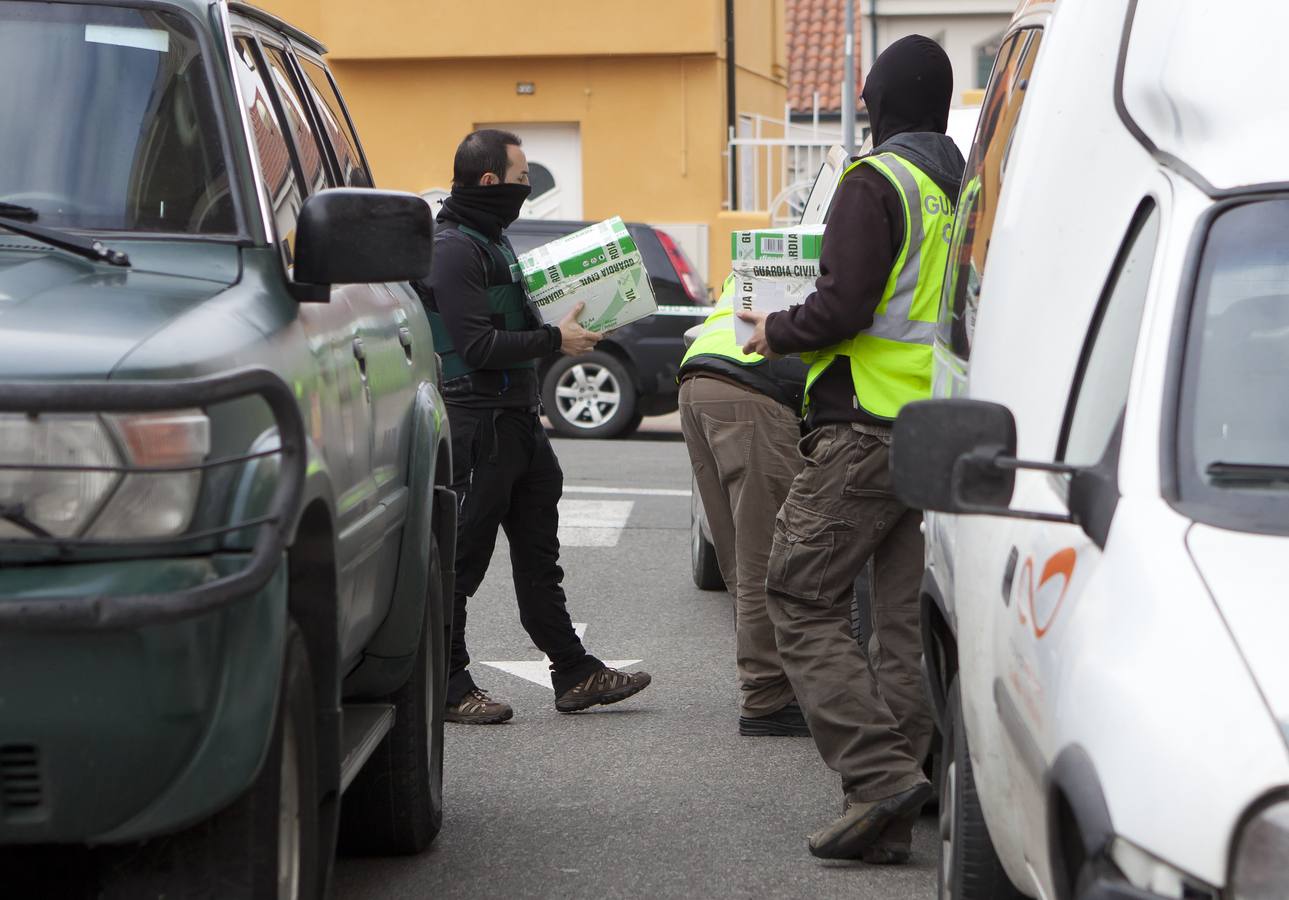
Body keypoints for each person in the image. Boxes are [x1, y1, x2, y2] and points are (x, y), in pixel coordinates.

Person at [739, 36, 965, 862]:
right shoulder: (960, 186)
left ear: (878, 98)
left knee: (797, 597)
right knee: (900, 623)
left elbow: (842, 309)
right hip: (934, 431)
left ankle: (877, 779)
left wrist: (774, 329)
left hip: (862, 429)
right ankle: (894, 799)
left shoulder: (876, 181)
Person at [418, 129, 652, 724]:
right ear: (490, 181)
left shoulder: (493, 240)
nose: (528, 189)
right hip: (478, 423)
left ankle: (573, 673)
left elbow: (511, 324)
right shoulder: (453, 248)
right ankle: (448, 684)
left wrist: (569, 324)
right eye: (523, 178)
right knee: (459, 564)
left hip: (519, 422)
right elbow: (475, 345)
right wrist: (555, 339)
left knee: (539, 561)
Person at [678, 276, 809, 737]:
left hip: (698, 381)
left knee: (738, 558)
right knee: (764, 559)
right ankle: (767, 699)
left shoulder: (778, 253)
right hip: (755, 390)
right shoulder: (841, 253)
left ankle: (764, 687)